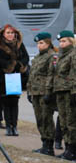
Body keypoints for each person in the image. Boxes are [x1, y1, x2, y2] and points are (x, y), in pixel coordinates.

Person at [0, 24, 29, 136]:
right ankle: (8, 126)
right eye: (8, 33)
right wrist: (10, 65)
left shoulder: (19, 44)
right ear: (3, 34)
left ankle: (14, 126)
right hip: (3, 77)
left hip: (16, 76)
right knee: (6, 103)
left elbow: (26, 57)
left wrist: (19, 66)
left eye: (12, 33)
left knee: (14, 102)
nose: (11, 35)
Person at [27, 32, 57, 156]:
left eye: (41, 43)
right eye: (38, 43)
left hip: (45, 92)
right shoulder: (38, 57)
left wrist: (49, 92)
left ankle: (49, 146)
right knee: (39, 119)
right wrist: (29, 91)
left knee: (46, 119)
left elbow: (52, 74)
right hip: (35, 92)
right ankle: (44, 143)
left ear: (48, 43)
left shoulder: (52, 56)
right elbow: (32, 75)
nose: (39, 45)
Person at [53, 30, 76, 161]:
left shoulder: (73, 54)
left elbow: (74, 75)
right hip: (61, 92)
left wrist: (74, 92)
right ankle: (67, 148)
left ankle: (73, 150)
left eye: (64, 41)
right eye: (60, 41)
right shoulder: (62, 55)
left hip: (69, 93)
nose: (61, 43)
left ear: (71, 41)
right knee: (64, 122)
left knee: (71, 122)